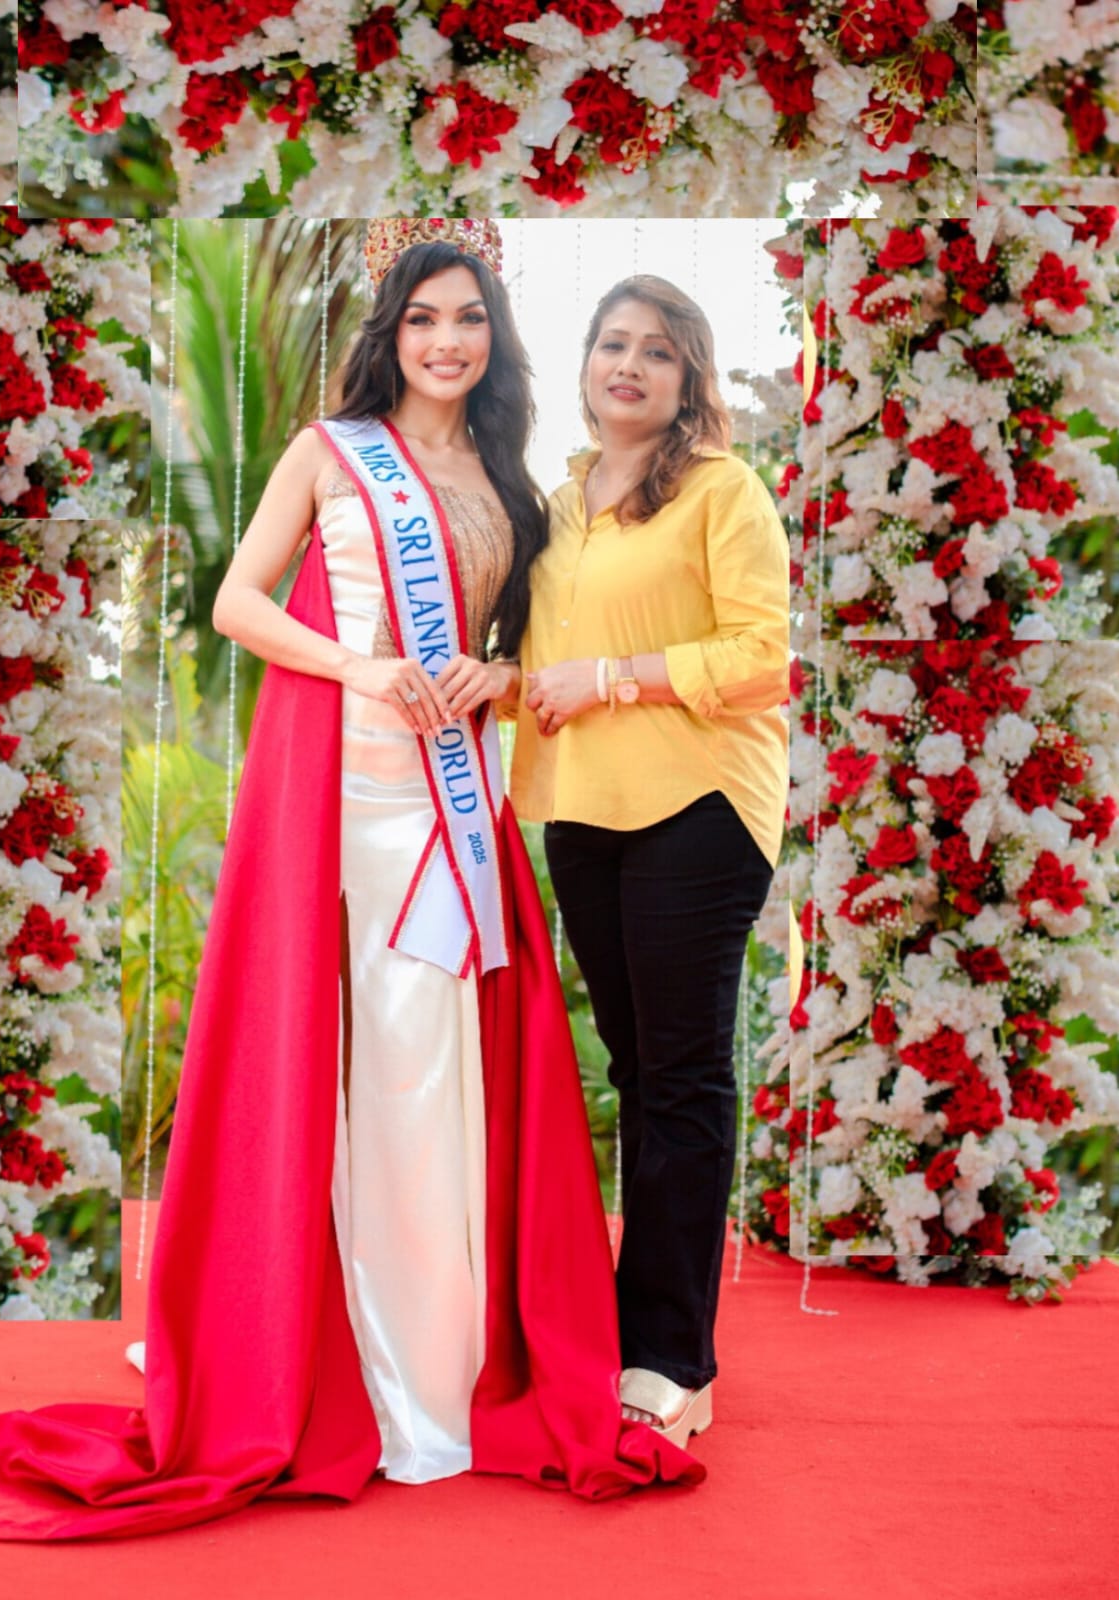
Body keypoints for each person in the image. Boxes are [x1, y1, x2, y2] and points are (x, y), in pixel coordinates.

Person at [0, 225, 701, 1543]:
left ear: (493, 336)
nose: (445, 341)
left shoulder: (509, 477)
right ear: (390, 331)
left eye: (467, 318)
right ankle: (334, 1346)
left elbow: (518, 650)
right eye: (422, 318)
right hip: (350, 797)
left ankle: (439, 1356)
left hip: (454, 805)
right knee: (348, 1061)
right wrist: (358, 664)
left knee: (439, 1071)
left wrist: (492, 675)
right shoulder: (330, 450)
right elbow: (238, 605)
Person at [510, 274, 789, 1448]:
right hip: (582, 810)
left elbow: (763, 654)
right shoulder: (556, 503)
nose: (628, 365)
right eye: (612, 343)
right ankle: (632, 1325)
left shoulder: (721, 490)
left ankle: (672, 1361)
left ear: (688, 379)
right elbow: (534, 662)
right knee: (634, 1071)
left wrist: (614, 679)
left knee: (678, 1077)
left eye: (657, 351)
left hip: (698, 806)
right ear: (582, 363)